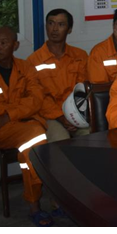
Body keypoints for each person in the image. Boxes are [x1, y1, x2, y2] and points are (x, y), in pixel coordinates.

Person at [0, 27, 51, 226]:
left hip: (22, 125)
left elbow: (36, 100)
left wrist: (8, 115)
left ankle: (35, 203)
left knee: (30, 150)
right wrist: (19, 109)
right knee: (37, 136)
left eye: (3, 43)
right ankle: (35, 204)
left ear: (15, 45)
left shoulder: (26, 68)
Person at [27, 9, 90, 142]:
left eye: (61, 24)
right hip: (49, 116)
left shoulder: (80, 56)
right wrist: (61, 117)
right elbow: (38, 97)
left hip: (77, 113)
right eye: (51, 23)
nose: (54, 29)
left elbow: (84, 89)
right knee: (61, 140)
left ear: (69, 29)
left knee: (90, 136)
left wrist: (75, 115)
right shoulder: (33, 61)